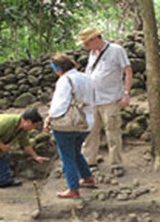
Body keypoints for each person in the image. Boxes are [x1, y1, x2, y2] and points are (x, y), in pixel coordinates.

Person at [78, 27, 133, 177]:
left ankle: (116, 164)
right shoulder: (91, 54)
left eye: (86, 43)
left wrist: (126, 93)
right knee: (90, 132)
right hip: (92, 100)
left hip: (110, 99)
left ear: (94, 39)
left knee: (113, 132)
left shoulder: (116, 50)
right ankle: (89, 161)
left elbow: (128, 71)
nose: (85, 46)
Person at [44, 53, 96, 199]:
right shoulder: (87, 77)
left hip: (68, 124)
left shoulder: (64, 80)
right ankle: (87, 177)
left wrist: (49, 118)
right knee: (76, 151)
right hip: (86, 122)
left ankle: (73, 188)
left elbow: (60, 105)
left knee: (67, 156)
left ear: (58, 68)